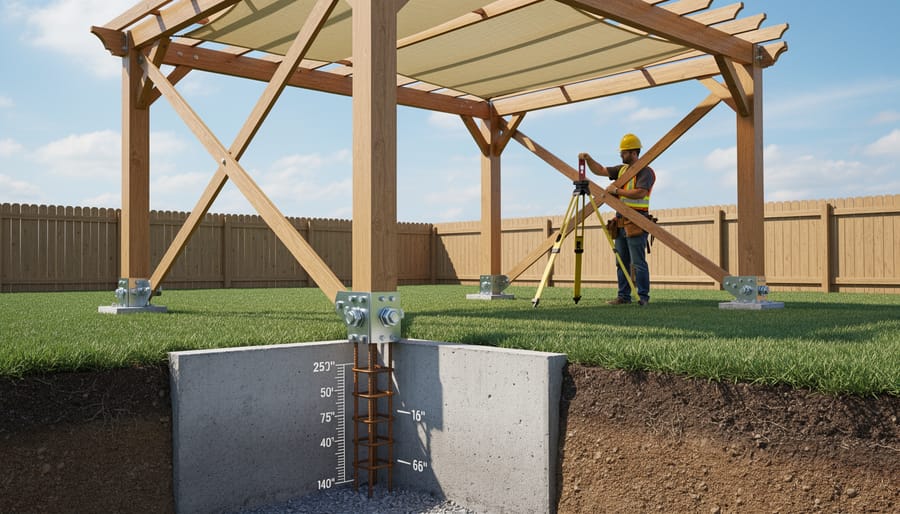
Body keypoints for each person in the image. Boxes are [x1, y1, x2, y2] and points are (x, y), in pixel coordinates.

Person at [579, 133, 656, 306]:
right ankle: (624, 296)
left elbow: (641, 192)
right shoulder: (621, 170)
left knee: (638, 262)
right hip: (621, 220)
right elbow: (600, 170)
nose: (621, 155)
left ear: (633, 153)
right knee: (621, 262)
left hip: (637, 219)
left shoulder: (645, 171)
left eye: (624, 152)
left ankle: (643, 297)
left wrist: (617, 191)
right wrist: (588, 158)